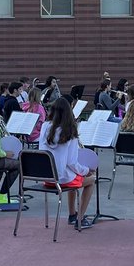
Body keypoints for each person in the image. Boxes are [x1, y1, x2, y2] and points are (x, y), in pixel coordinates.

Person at [39, 97, 97, 228]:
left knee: (74, 174)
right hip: (61, 178)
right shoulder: (70, 131)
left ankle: (72, 214)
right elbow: (72, 162)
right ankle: (80, 219)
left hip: (46, 177)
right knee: (91, 180)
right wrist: (86, 170)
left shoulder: (44, 127)